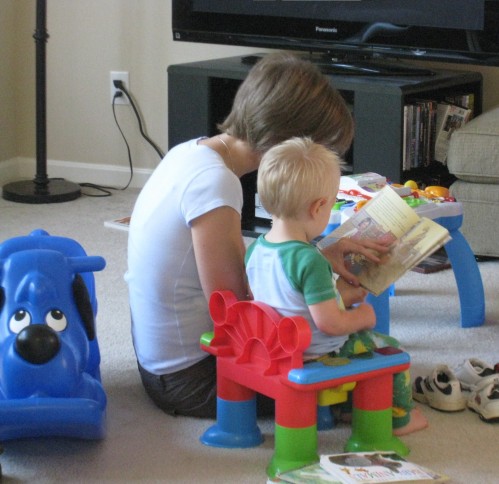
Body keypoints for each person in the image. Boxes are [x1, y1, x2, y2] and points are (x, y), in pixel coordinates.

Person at [126, 52, 389, 418]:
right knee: (363, 381)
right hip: (190, 377)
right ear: (289, 141)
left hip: (162, 365)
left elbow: (246, 266)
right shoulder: (215, 184)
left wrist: (313, 254)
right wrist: (335, 301)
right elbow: (236, 307)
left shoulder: (192, 153)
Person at [245, 137, 428, 435]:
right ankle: (397, 419)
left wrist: (341, 295)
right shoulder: (308, 260)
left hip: (278, 348)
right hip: (317, 352)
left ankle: (344, 407)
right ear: (318, 207)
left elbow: (282, 300)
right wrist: (363, 316)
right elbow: (330, 323)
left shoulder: (256, 249)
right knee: (388, 349)